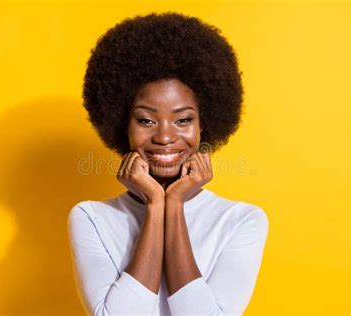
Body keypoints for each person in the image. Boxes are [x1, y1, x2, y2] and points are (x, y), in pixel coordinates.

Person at [67, 12, 269, 315]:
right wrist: (155, 205)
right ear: (124, 124)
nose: (164, 136)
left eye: (183, 120)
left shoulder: (241, 220)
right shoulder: (90, 217)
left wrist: (173, 203)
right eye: (146, 120)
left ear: (204, 124)